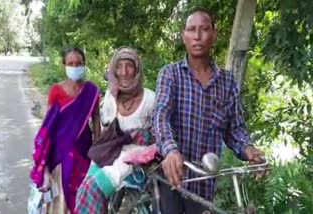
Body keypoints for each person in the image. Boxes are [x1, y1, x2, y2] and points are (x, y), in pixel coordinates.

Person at [153, 8, 266, 213]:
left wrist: (249, 149)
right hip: (171, 176)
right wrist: (170, 150)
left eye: (204, 29)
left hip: (205, 181)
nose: (197, 36)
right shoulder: (170, 74)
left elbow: (234, 128)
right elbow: (161, 115)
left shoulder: (227, 82)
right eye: (191, 30)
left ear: (214, 35)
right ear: (183, 36)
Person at [75, 47, 156, 213]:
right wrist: (112, 91)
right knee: (83, 188)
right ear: (113, 71)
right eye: (119, 67)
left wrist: (142, 137)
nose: (124, 72)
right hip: (111, 153)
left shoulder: (150, 98)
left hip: (136, 159)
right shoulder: (111, 97)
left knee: (93, 189)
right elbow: (106, 125)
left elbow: (159, 133)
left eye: (130, 66)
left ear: (137, 70)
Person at [30, 47, 100, 213]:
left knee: (81, 196)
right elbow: (49, 123)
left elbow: (96, 119)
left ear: (84, 65)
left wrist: (98, 147)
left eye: (78, 63)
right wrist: (45, 158)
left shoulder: (92, 91)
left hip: (84, 151)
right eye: (70, 64)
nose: (75, 67)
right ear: (64, 65)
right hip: (59, 152)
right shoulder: (56, 90)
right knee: (60, 199)